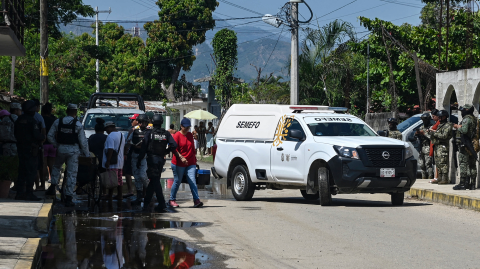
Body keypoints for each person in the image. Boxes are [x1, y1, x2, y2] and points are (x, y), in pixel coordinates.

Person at [46, 104, 90, 207]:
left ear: (66, 111)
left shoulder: (58, 121)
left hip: (61, 149)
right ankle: (69, 198)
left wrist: (56, 145)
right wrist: (87, 154)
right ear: (75, 112)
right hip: (73, 151)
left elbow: (49, 135)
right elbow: (83, 142)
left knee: (56, 167)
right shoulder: (78, 124)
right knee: (72, 173)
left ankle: (52, 187)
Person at [137, 114, 179, 212]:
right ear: (161, 122)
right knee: (154, 180)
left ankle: (162, 203)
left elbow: (143, 147)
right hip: (161, 160)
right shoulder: (166, 133)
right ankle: (147, 203)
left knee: (155, 181)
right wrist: (166, 152)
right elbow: (174, 145)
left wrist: (139, 159)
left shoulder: (149, 133)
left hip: (152, 160)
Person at [14, 100, 45, 201]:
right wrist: (42, 137)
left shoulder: (19, 120)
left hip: (21, 148)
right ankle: (29, 193)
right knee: (31, 171)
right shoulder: (32, 121)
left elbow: (15, 134)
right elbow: (37, 135)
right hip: (31, 150)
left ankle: (19, 193)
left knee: (21, 171)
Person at [169, 118, 203, 208]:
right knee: (177, 181)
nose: (187, 129)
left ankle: (196, 200)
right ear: (181, 126)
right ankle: (172, 200)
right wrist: (181, 157)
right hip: (178, 163)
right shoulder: (176, 136)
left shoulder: (190, 135)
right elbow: (174, 149)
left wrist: (194, 160)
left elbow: (192, 148)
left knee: (192, 181)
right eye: (186, 127)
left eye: (188, 127)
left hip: (190, 162)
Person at [453, 104, 477, 190]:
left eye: (463, 110)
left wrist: (457, 127)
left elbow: (464, 130)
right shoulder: (474, 119)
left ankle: (463, 183)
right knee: (472, 165)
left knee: (463, 163)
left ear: (467, 110)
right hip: (472, 144)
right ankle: (472, 184)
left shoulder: (467, 119)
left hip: (466, 144)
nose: (461, 112)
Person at [428, 110, 453, 185]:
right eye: (438, 116)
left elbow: (444, 136)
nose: (439, 118)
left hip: (443, 146)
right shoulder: (440, 125)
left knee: (443, 162)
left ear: (444, 117)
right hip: (437, 146)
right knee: (438, 163)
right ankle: (440, 177)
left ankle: (444, 178)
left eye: (440, 117)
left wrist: (434, 133)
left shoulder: (448, 125)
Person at [103, 121, 125, 201]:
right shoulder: (121, 135)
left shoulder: (110, 136)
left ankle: (110, 195)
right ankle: (120, 195)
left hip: (112, 162)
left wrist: (108, 161)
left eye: (106, 129)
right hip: (120, 162)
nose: (106, 131)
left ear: (109, 127)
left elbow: (110, 149)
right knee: (119, 179)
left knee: (111, 179)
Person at [131, 114, 149, 205]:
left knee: (142, 175)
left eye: (145, 122)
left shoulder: (149, 132)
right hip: (135, 155)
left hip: (144, 156)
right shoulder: (134, 131)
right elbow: (129, 142)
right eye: (141, 122)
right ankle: (139, 196)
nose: (143, 124)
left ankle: (149, 192)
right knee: (137, 177)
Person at [39, 102, 57, 191]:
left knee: (43, 165)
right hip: (53, 145)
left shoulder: (40, 118)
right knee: (52, 165)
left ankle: (42, 185)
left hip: (44, 144)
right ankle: (53, 185)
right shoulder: (54, 119)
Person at [123, 114, 140, 198]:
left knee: (128, 172)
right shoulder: (145, 130)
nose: (131, 122)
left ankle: (131, 190)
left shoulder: (133, 130)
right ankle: (141, 191)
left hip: (131, 153)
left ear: (137, 121)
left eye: (132, 120)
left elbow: (127, 143)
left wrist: (125, 153)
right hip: (142, 154)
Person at [415, 113, 434, 179]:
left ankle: (430, 176)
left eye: (425, 119)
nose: (424, 121)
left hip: (428, 146)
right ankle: (423, 177)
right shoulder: (421, 127)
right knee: (421, 164)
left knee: (428, 164)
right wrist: (417, 134)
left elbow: (432, 138)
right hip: (421, 147)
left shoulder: (431, 127)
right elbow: (414, 137)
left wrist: (424, 133)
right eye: (423, 119)